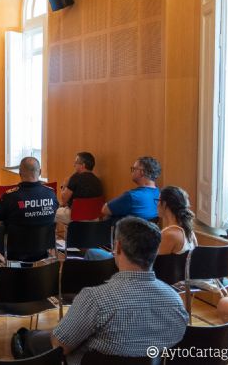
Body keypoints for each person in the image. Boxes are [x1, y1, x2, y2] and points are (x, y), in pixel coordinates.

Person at [50, 217, 188, 364]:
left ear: (119, 248)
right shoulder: (176, 302)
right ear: (155, 251)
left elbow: (59, 346)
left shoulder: (94, 299)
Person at [85, 186, 197, 260]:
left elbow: (152, 265)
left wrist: (124, 256)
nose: (156, 205)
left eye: (157, 201)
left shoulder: (170, 235)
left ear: (165, 204)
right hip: (178, 281)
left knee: (92, 252)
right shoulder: (190, 233)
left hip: (150, 280)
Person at [0, 157, 58, 229]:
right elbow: (54, 220)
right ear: (40, 172)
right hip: (46, 240)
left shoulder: (9, 197)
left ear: (20, 173)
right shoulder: (51, 194)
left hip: (17, 240)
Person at [55, 152, 103, 237]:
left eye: (76, 162)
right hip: (94, 218)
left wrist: (64, 186)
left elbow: (64, 199)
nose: (74, 165)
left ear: (82, 165)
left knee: (50, 213)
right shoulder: (98, 181)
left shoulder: (75, 178)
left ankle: (51, 243)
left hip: (76, 216)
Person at [102, 156, 161, 220]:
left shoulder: (132, 196)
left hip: (129, 229)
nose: (132, 172)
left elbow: (105, 209)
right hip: (149, 229)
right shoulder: (159, 193)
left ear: (142, 172)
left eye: (134, 169)